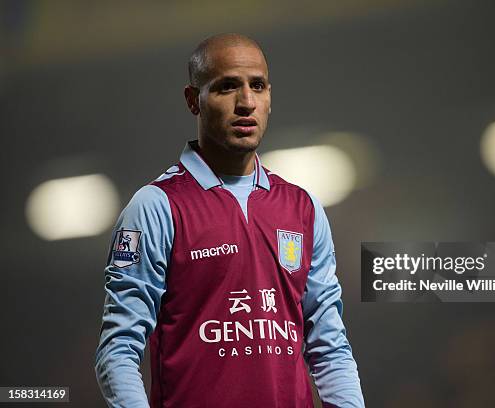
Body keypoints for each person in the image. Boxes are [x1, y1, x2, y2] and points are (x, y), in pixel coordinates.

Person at [94, 33, 365, 408]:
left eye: (258, 86)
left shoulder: (304, 209)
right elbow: (118, 352)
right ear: (194, 100)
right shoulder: (156, 207)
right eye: (227, 87)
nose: (246, 103)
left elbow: (331, 349)